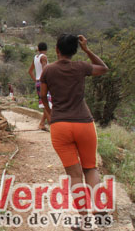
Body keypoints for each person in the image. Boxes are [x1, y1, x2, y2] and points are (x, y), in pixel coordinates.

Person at [39, 34, 109, 229]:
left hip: (60, 125)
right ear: (75, 51)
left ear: (56, 50)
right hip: (84, 123)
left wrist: (50, 114)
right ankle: (100, 208)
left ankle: (84, 219)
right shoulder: (81, 67)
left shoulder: (48, 70)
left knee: (74, 175)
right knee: (90, 168)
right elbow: (103, 68)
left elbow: (43, 95)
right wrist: (87, 50)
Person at [28, 42, 51, 130]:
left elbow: (30, 71)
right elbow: (45, 70)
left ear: (38, 49)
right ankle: (50, 124)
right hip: (44, 83)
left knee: (45, 104)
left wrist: (36, 80)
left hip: (38, 82)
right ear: (46, 49)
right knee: (47, 104)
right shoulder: (43, 57)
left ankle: (42, 123)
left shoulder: (35, 58)